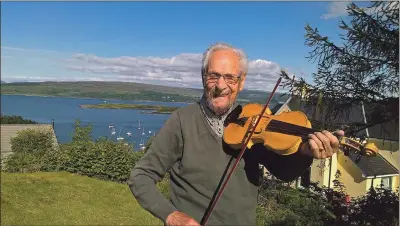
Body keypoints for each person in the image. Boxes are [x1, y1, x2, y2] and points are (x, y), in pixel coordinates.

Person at [128, 42, 343, 226]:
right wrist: (173, 216)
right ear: (204, 77)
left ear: (241, 82)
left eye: (230, 78)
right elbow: (140, 177)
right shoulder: (182, 120)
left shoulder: (256, 122)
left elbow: (283, 172)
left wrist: (305, 154)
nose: (221, 86)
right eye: (214, 76)